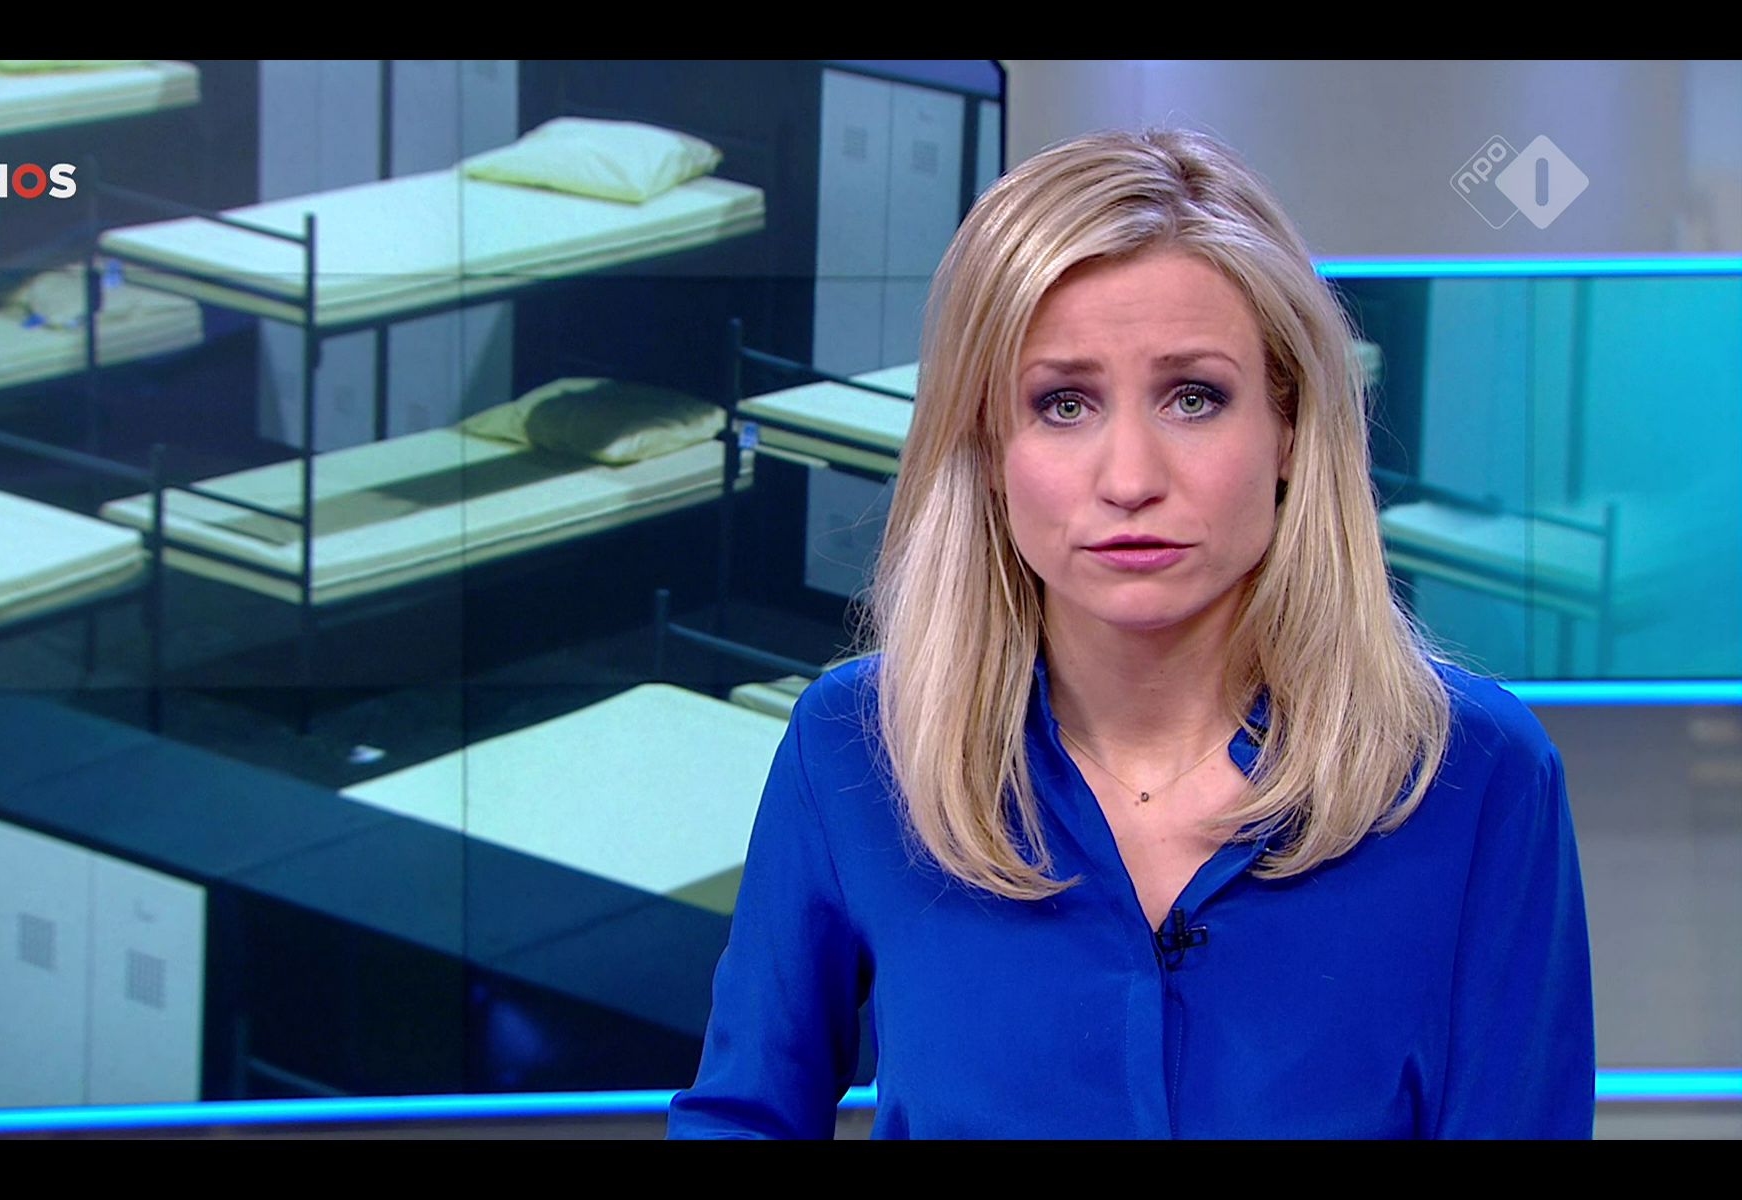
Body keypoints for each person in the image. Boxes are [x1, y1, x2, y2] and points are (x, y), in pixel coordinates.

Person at [666, 129, 1594, 1139]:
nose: (1130, 478)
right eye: (1063, 403)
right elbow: (743, 1116)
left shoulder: (1477, 773)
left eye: (1194, 398)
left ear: (1288, 427)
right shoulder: (855, 747)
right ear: (987, 443)